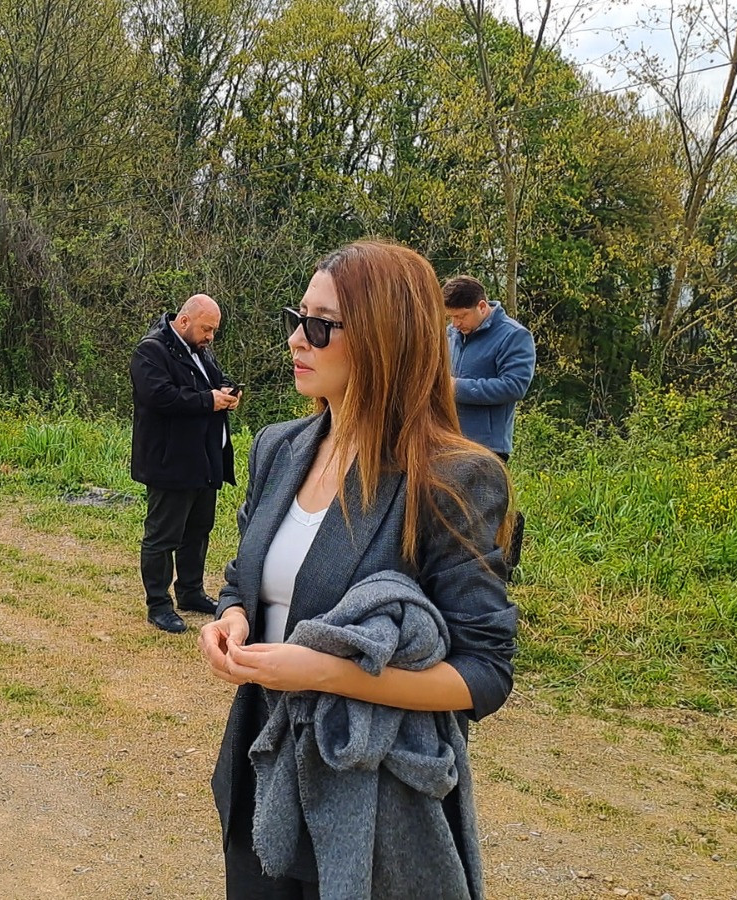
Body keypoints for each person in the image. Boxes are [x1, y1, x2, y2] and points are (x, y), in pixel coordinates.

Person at [199, 241, 518, 898]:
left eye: (322, 326)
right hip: (261, 764)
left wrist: (324, 673)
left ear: (384, 339)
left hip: (371, 797)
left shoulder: (454, 479)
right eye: (298, 317)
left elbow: (484, 673)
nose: (297, 338)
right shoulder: (278, 448)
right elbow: (245, 578)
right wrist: (230, 617)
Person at [130, 293, 241, 634]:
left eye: (214, 330)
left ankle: (191, 592)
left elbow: (213, 381)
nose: (211, 336)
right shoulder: (151, 351)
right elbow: (158, 396)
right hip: (169, 462)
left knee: (198, 530)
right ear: (184, 321)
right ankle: (159, 605)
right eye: (207, 329)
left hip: (203, 459)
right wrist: (208, 401)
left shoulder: (200, 350)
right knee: (163, 537)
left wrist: (227, 391)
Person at [443, 274, 534, 570]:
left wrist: (456, 388)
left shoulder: (514, 336)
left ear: (482, 306)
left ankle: (499, 569)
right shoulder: (450, 334)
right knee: (450, 515)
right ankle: (457, 573)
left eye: (461, 316)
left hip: (488, 444)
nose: (455, 323)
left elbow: (514, 386)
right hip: (448, 439)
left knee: (485, 516)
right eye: (451, 317)